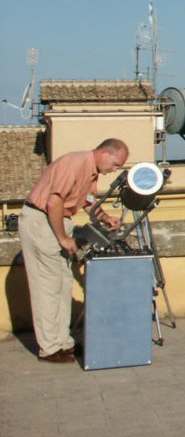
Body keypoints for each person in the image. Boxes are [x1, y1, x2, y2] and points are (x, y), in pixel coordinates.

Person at [19, 138, 128, 362]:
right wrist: (63, 238)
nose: (114, 170)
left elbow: (87, 201)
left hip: (57, 221)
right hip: (43, 221)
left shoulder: (91, 172)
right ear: (105, 152)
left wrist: (105, 217)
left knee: (62, 283)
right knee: (48, 287)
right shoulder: (75, 163)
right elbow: (54, 202)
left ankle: (63, 342)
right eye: (116, 164)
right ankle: (50, 348)